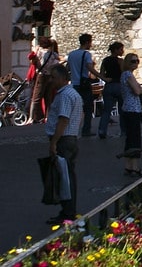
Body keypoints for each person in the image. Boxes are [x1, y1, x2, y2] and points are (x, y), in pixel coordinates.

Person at [44, 63, 83, 223]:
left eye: (53, 77)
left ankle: (68, 212)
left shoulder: (65, 95)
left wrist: (54, 142)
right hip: (71, 138)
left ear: (62, 78)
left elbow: (63, 119)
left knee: (65, 178)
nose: (51, 80)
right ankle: (68, 210)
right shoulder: (73, 93)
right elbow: (80, 115)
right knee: (68, 176)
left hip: (64, 139)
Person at [66, 33, 101, 137]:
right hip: (84, 84)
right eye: (90, 42)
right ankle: (86, 130)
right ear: (86, 42)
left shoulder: (71, 54)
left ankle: (71, 129)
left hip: (74, 84)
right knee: (88, 107)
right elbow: (90, 68)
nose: (91, 44)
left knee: (74, 108)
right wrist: (102, 77)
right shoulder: (86, 54)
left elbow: (68, 68)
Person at [119, 53, 142, 177]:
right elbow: (137, 90)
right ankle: (134, 167)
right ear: (127, 62)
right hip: (132, 109)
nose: (136, 63)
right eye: (133, 61)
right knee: (134, 138)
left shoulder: (125, 75)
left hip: (127, 109)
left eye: (137, 61)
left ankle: (128, 166)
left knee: (130, 138)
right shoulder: (128, 75)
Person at [97, 41, 124, 139]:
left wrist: (105, 79)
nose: (122, 51)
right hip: (119, 85)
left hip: (108, 86)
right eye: (121, 49)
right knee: (122, 110)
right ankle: (123, 130)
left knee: (106, 110)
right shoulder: (120, 61)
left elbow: (101, 73)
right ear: (116, 50)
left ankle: (102, 130)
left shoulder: (105, 60)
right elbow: (123, 74)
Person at [29, 37, 60, 123]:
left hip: (41, 75)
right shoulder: (53, 54)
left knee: (36, 98)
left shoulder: (39, 52)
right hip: (50, 76)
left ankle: (31, 117)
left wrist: (36, 50)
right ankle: (48, 116)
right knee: (48, 97)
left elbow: (32, 61)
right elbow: (59, 61)